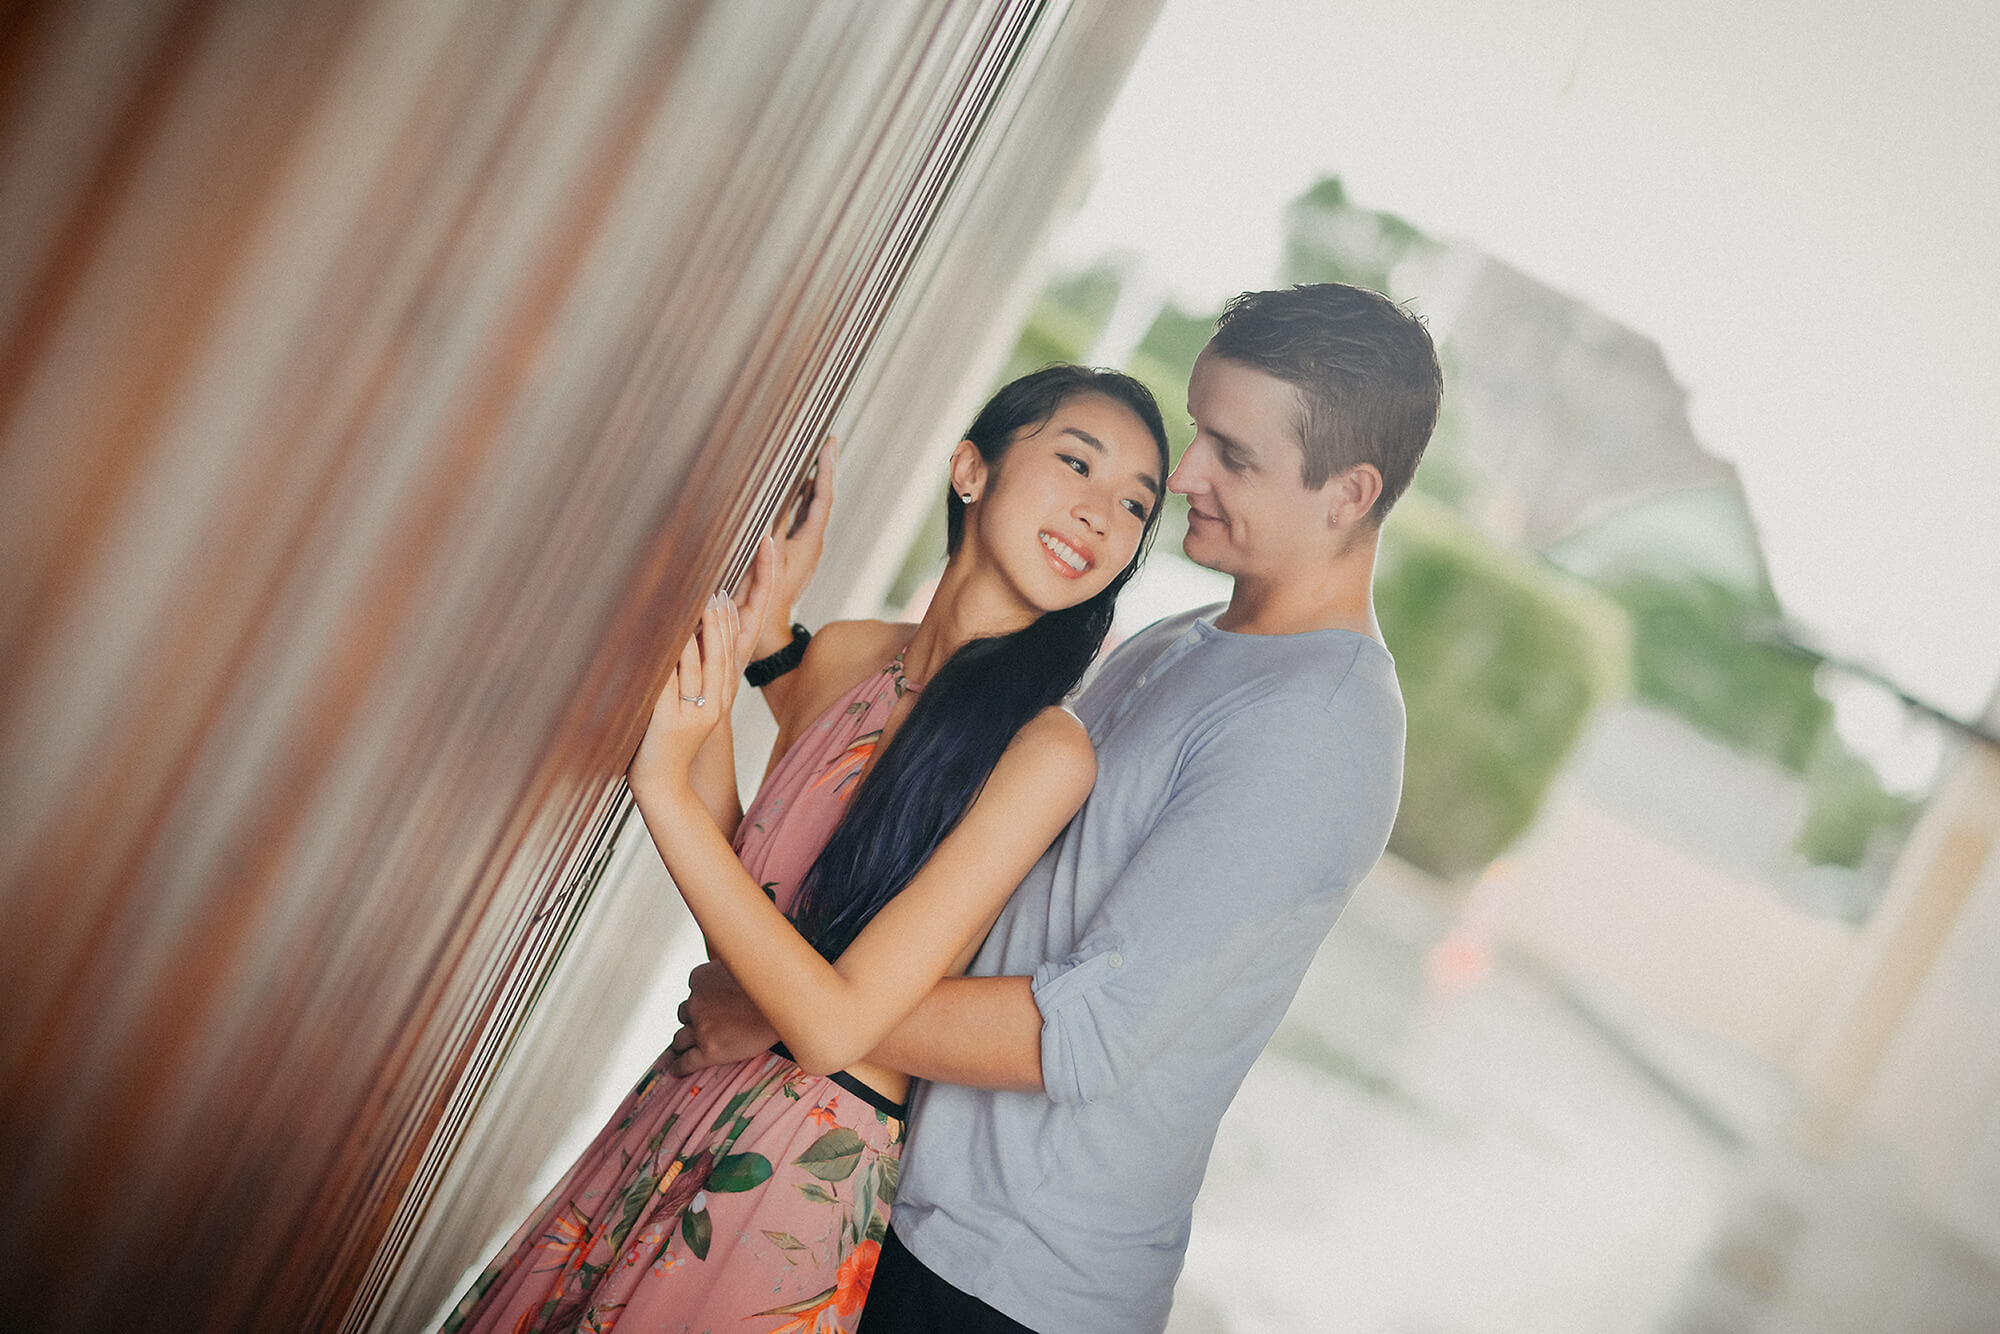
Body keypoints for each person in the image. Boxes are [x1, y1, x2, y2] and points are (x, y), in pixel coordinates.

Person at [668, 283, 1443, 1333]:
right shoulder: (1184, 642)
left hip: (1000, 1285)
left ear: (1348, 494)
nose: (1182, 476)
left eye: (1232, 453)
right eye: (1198, 430)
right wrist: (770, 648)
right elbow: (961, 813)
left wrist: (784, 1008)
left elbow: (1077, 1033)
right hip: (903, 1200)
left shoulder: (1313, 726)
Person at [437, 364, 1170, 1334]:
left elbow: (830, 1023)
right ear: (969, 469)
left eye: (1130, 505)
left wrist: (661, 781)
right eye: (1076, 463)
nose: (1096, 515)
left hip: (795, 1171)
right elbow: (745, 910)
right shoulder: (850, 656)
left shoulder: (1043, 750)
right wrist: (739, 641)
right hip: (681, 1097)